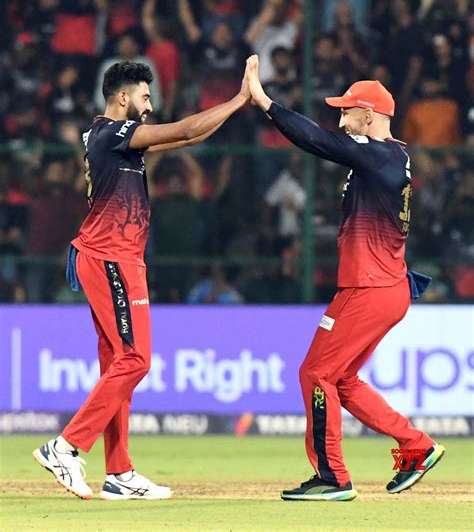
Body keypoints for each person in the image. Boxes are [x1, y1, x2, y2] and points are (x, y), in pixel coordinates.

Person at [33, 60, 251, 500]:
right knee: (136, 360)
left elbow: (192, 134)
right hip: (110, 257)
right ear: (121, 98)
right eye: (145, 97)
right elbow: (186, 129)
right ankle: (66, 446)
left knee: (119, 366)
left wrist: (234, 110)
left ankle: (120, 473)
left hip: (119, 258)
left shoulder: (122, 144)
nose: (150, 106)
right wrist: (239, 98)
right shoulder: (109, 133)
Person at [246, 54, 445, 501]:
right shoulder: (387, 159)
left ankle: (332, 476)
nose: (339, 119)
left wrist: (266, 103)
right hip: (381, 286)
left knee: (315, 372)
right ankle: (416, 446)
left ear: (369, 115)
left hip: (370, 288)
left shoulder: (382, 157)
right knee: (341, 379)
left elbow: (316, 141)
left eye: (346, 110)